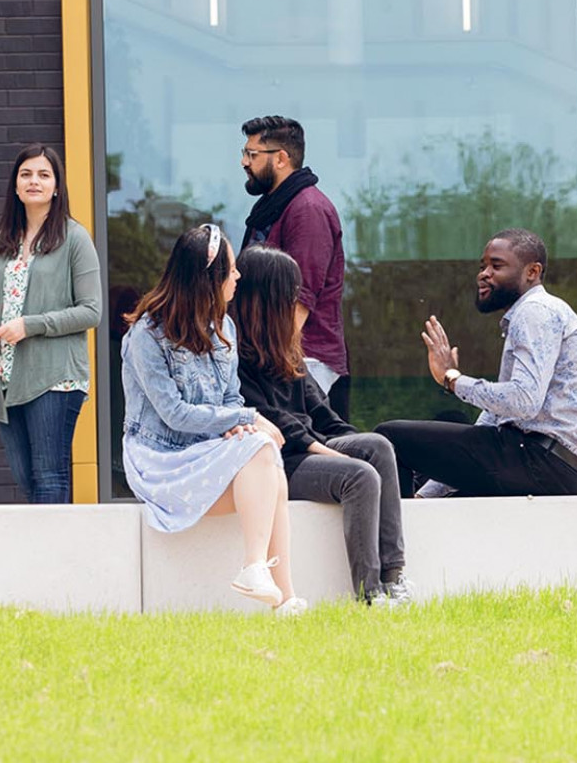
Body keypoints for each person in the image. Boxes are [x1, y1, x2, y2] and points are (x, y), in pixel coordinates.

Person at [121, 223, 304, 615]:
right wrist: (246, 418)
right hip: (160, 459)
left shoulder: (225, 328)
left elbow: (229, 398)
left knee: (269, 460)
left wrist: (240, 422)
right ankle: (255, 568)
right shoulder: (146, 335)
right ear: (209, 278)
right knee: (261, 446)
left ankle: (284, 598)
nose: (238, 277)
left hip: (205, 451)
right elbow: (173, 413)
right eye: (231, 269)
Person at [232, 244, 412, 606]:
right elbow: (278, 424)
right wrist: (331, 453)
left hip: (312, 449)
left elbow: (325, 416)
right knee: (359, 476)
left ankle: (395, 578)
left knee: (377, 446)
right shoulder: (233, 355)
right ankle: (370, 593)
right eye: (291, 295)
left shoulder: (287, 350)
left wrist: (356, 444)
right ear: (268, 299)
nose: (299, 305)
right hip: (281, 463)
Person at [376, 229, 577, 498]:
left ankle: (393, 537)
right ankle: (412, 514)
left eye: (496, 266)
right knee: (446, 504)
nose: (484, 273)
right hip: (549, 466)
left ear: (532, 272)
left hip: (540, 459)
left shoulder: (535, 312)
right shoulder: (532, 315)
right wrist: (427, 495)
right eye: (483, 265)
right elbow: (494, 420)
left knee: (389, 439)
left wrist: (451, 379)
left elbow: (524, 400)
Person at [0, 143, 100, 502]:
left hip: (55, 378)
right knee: (26, 479)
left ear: (57, 187)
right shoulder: (2, 243)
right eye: (26, 174)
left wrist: (31, 325)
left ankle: (53, 558)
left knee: (49, 477)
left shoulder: (75, 238)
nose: (34, 181)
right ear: (15, 185)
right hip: (7, 378)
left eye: (44, 175)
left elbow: (92, 310)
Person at [240, 115, 349, 418]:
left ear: (281, 158)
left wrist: (273, 369)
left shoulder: (308, 209)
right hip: (272, 359)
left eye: (252, 154)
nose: (244, 162)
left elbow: (300, 297)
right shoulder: (272, 207)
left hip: (300, 363)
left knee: (302, 458)